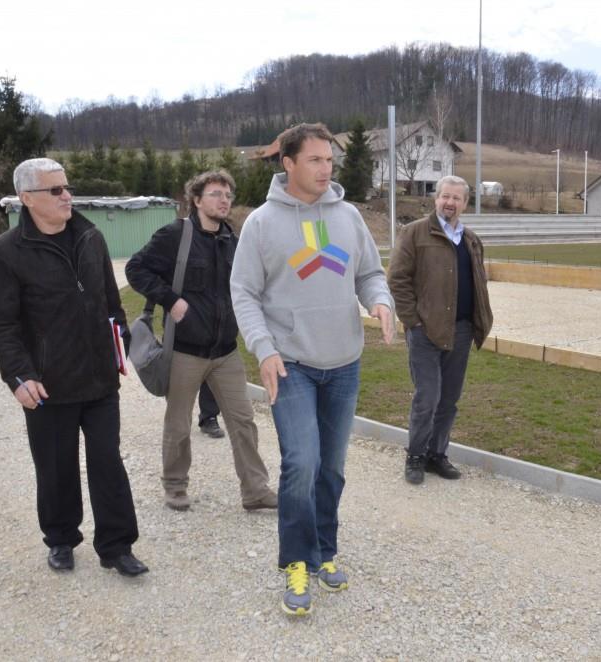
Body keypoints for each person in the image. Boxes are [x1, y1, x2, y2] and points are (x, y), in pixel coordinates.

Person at [230, 123, 394, 616]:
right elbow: (244, 292)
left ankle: (324, 550)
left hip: (343, 363)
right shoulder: (262, 223)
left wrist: (380, 301)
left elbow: (369, 273)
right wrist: (264, 349)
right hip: (290, 365)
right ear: (289, 163)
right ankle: (296, 562)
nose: (326, 169)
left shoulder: (348, 216)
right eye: (315, 160)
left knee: (332, 468)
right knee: (302, 464)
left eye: (329, 160)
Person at [0, 157, 147, 577]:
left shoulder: (91, 237)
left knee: (108, 462)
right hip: (47, 385)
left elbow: (112, 303)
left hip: (99, 380)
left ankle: (117, 546)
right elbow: (0, 324)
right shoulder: (5, 252)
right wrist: (19, 376)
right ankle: (60, 538)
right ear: (27, 198)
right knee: (55, 466)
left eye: (67, 187)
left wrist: (119, 347)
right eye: (55, 190)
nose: (67, 196)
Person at [126, 170, 277, 512]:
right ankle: (175, 486)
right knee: (178, 425)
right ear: (196, 200)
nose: (224, 200)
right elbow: (136, 269)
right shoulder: (174, 236)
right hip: (185, 351)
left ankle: (255, 490)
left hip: (226, 352)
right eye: (215, 194)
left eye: (228, 195)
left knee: (243, 421)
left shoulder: (234, 242)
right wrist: (170, 299)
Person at [387, 175, 493, 485]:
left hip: (460, 331)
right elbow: (397, 280)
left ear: (465, 203)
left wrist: (478, 320)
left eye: (456, 198)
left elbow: (478, 282)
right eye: (445, 196)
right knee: (428, 398)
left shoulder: (471, 240)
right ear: (436, 199)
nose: (450, 202)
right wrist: (413, 321)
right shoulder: (414, 233)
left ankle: (436, 454)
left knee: (449, 400)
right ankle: (415, 455)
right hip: (425, 332)